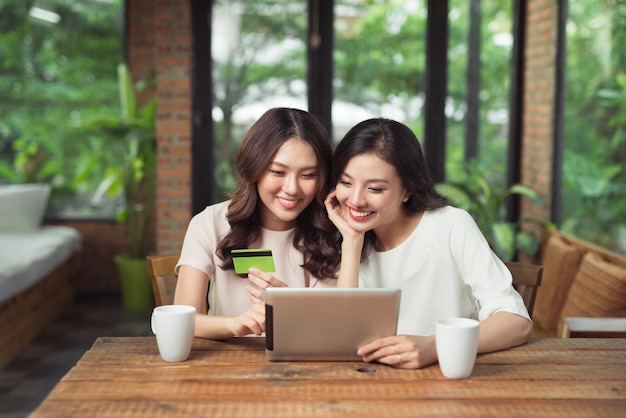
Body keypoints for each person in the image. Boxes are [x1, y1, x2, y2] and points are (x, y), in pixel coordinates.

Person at [324, 118, 532, 369]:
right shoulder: (348, 237)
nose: (355, 200)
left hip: (448, 382)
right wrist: (352, 241)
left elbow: (516, 322)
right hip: (375, 385)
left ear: (407, 191)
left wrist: (437, 345)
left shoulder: (450, 225)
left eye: (375, 189)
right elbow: (343, 337)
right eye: (346, 183)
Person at [174, 107, 339, 339]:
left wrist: (297, 310)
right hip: (229, 364)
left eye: (308, 175)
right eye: (278, 172)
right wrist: (235, 324)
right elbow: (182, 318)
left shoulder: (332, 232)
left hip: (303, 362)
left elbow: (336, 328)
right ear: (255, 167)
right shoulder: (210, 223)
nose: (292, 188)